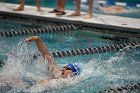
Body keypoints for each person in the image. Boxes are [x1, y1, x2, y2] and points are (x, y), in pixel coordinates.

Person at [2, 36, 80, 88]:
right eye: (64, 67)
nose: (63, 69)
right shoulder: (56, 72)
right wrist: (37, 39)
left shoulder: (65, 83)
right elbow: (47, 54)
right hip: (30, 86)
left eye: (67, 68)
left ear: (72, 74)